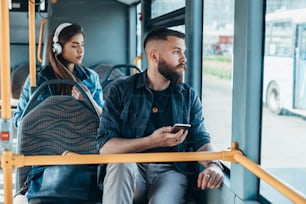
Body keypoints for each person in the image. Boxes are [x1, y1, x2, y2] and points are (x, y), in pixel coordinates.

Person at [96, 27, 224, 204]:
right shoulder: (121, 90)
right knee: (120, 164)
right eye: (176, 52)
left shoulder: (188, 95)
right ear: (154, 56)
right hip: (131, 169)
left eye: (183, 52)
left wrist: (214, 165)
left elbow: (200, 140)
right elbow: (105, 148)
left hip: (170, 172)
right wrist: (151, 141)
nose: (183, 59)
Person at [13, 23, 103, 128]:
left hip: (81, 140)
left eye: (82, 45)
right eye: (74, 46)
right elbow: (18, 119)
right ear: (58, 48)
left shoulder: (92, 78)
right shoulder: (37, 79)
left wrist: (89, 101)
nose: (81, 50)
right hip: (45, 138)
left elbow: (104, 120)